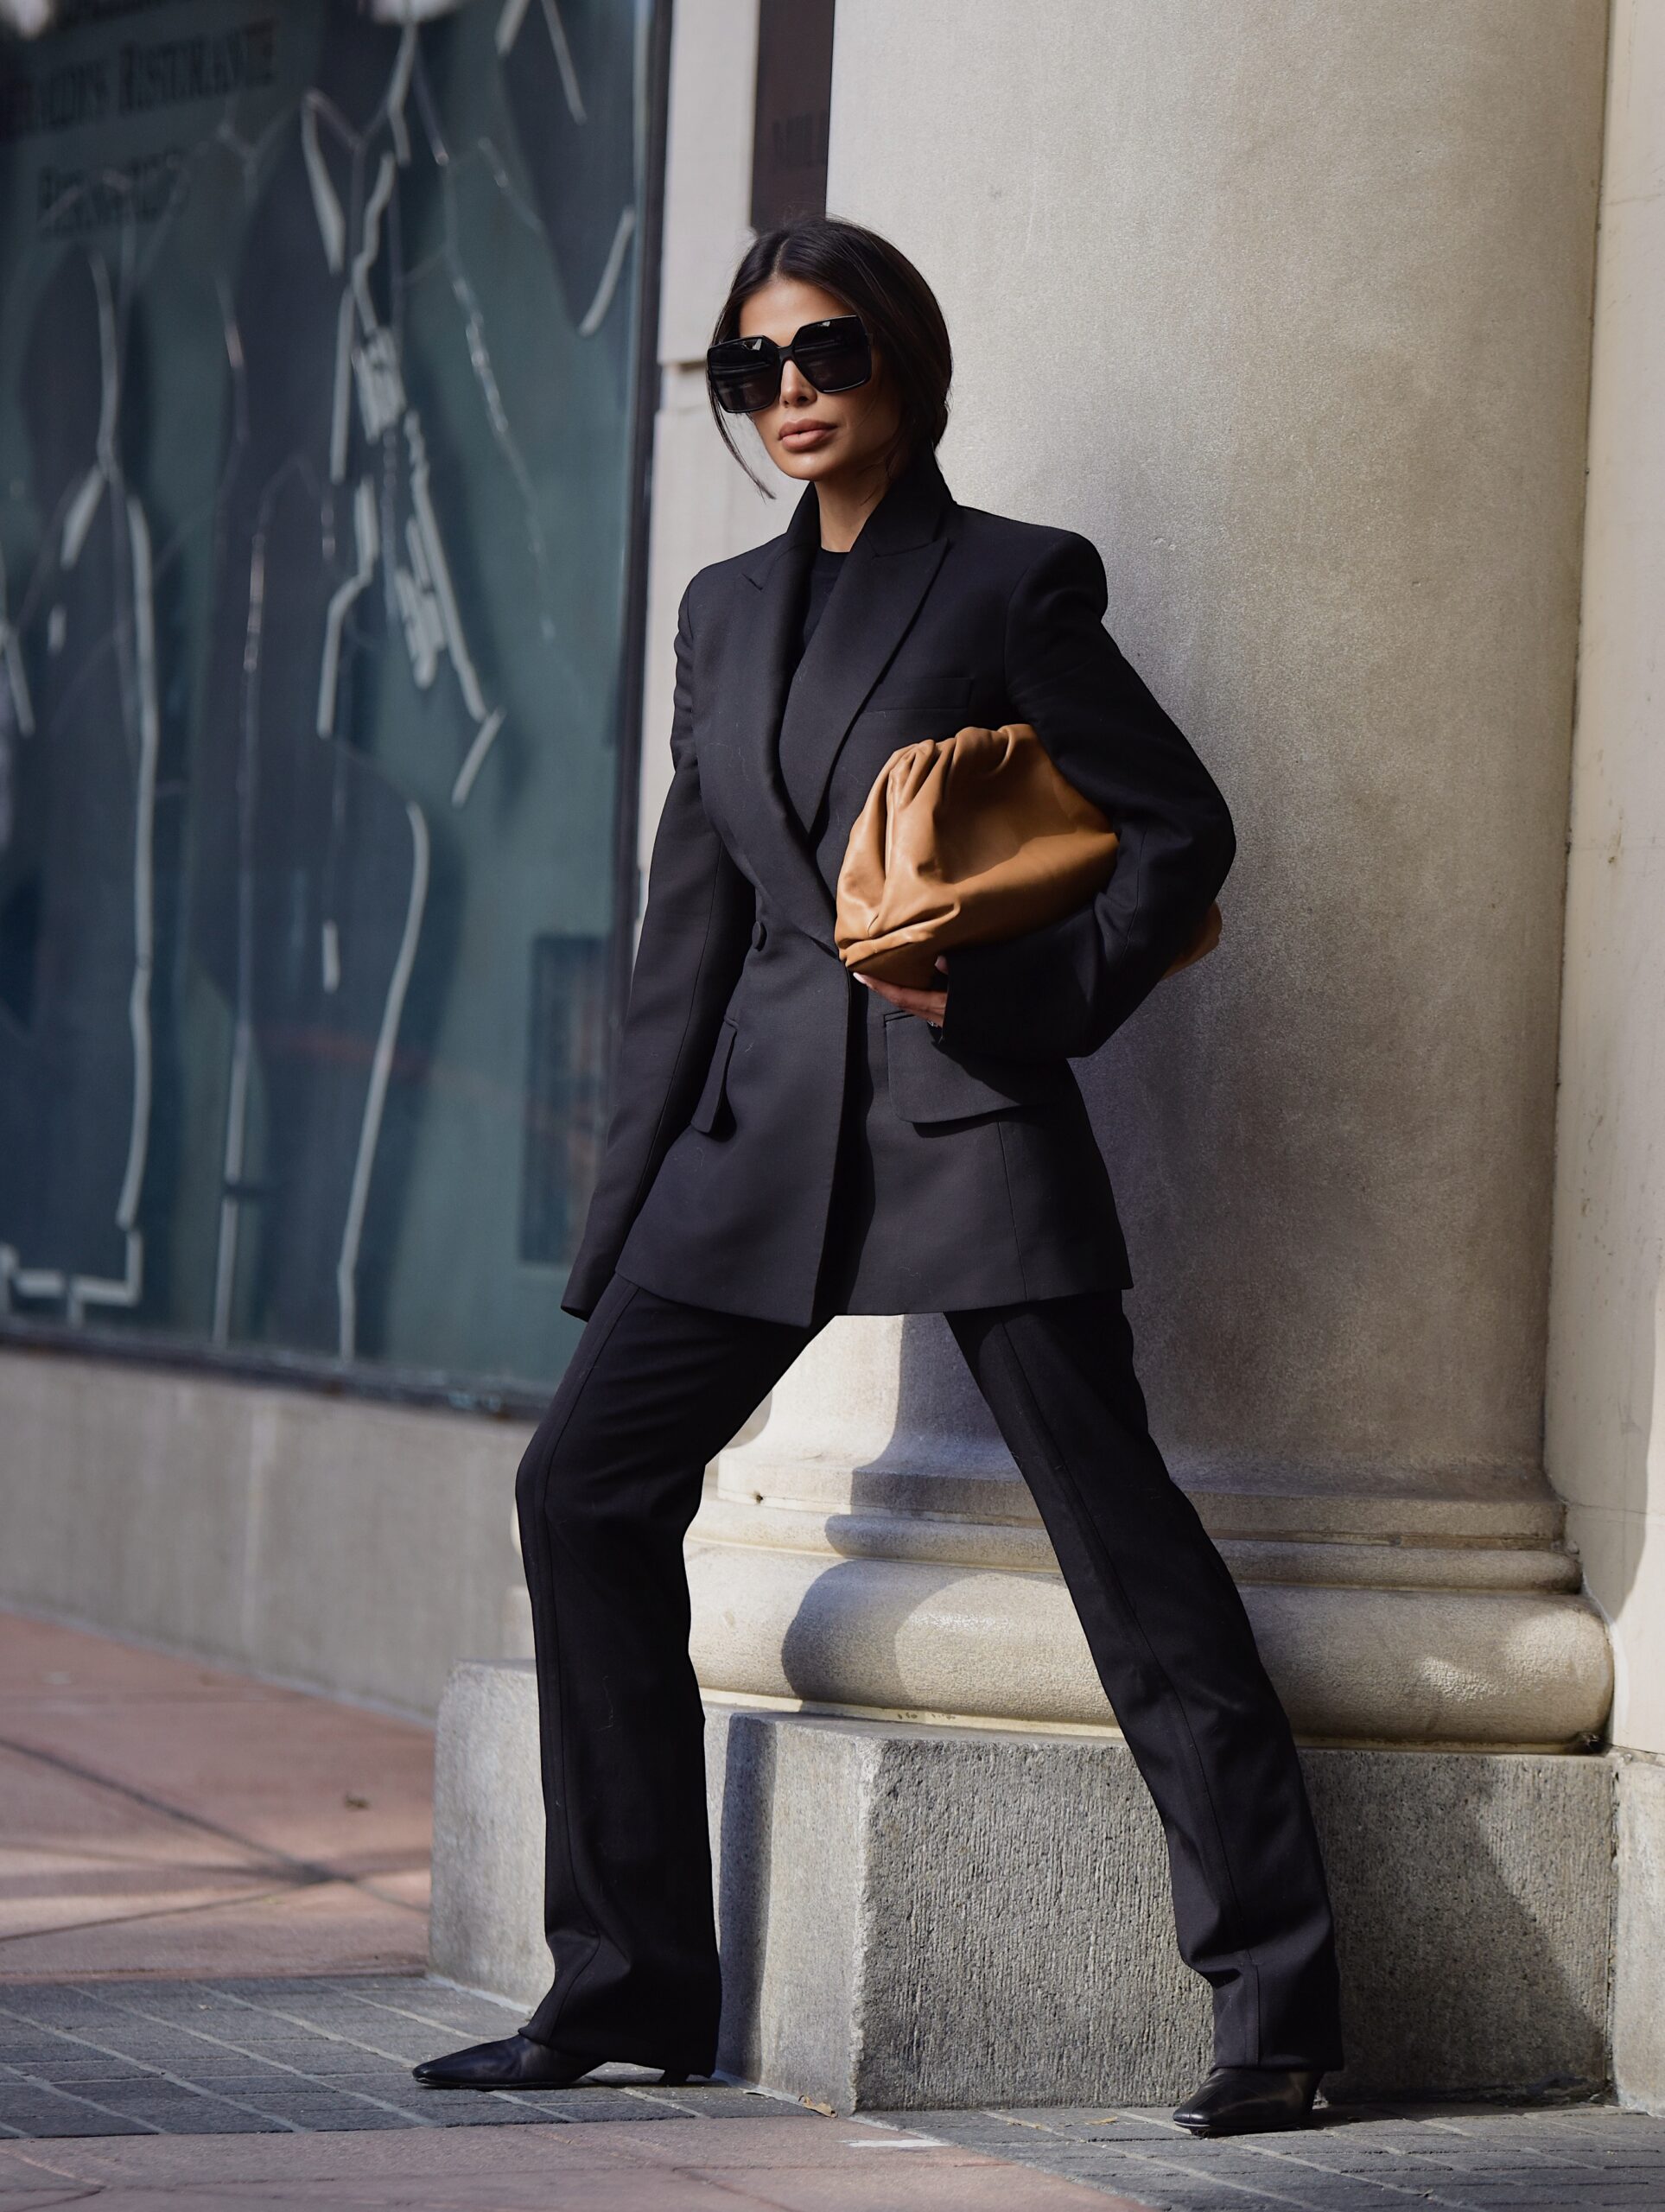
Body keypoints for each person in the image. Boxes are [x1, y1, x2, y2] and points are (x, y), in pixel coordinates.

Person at [415, 217, 1344, 2138]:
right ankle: (629, 1981)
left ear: (902, 360)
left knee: (1120, 1541)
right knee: (580, 1487)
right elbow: (688, 929)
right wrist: (622, 1220)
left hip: (965, 1120)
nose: (791, 394)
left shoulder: (1010, 578)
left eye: (824, 351)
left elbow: (1179, 829)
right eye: (750, 369)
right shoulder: (718, 613)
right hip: (754, 1141)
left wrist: (1014, 1004)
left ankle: (1280, 2006)